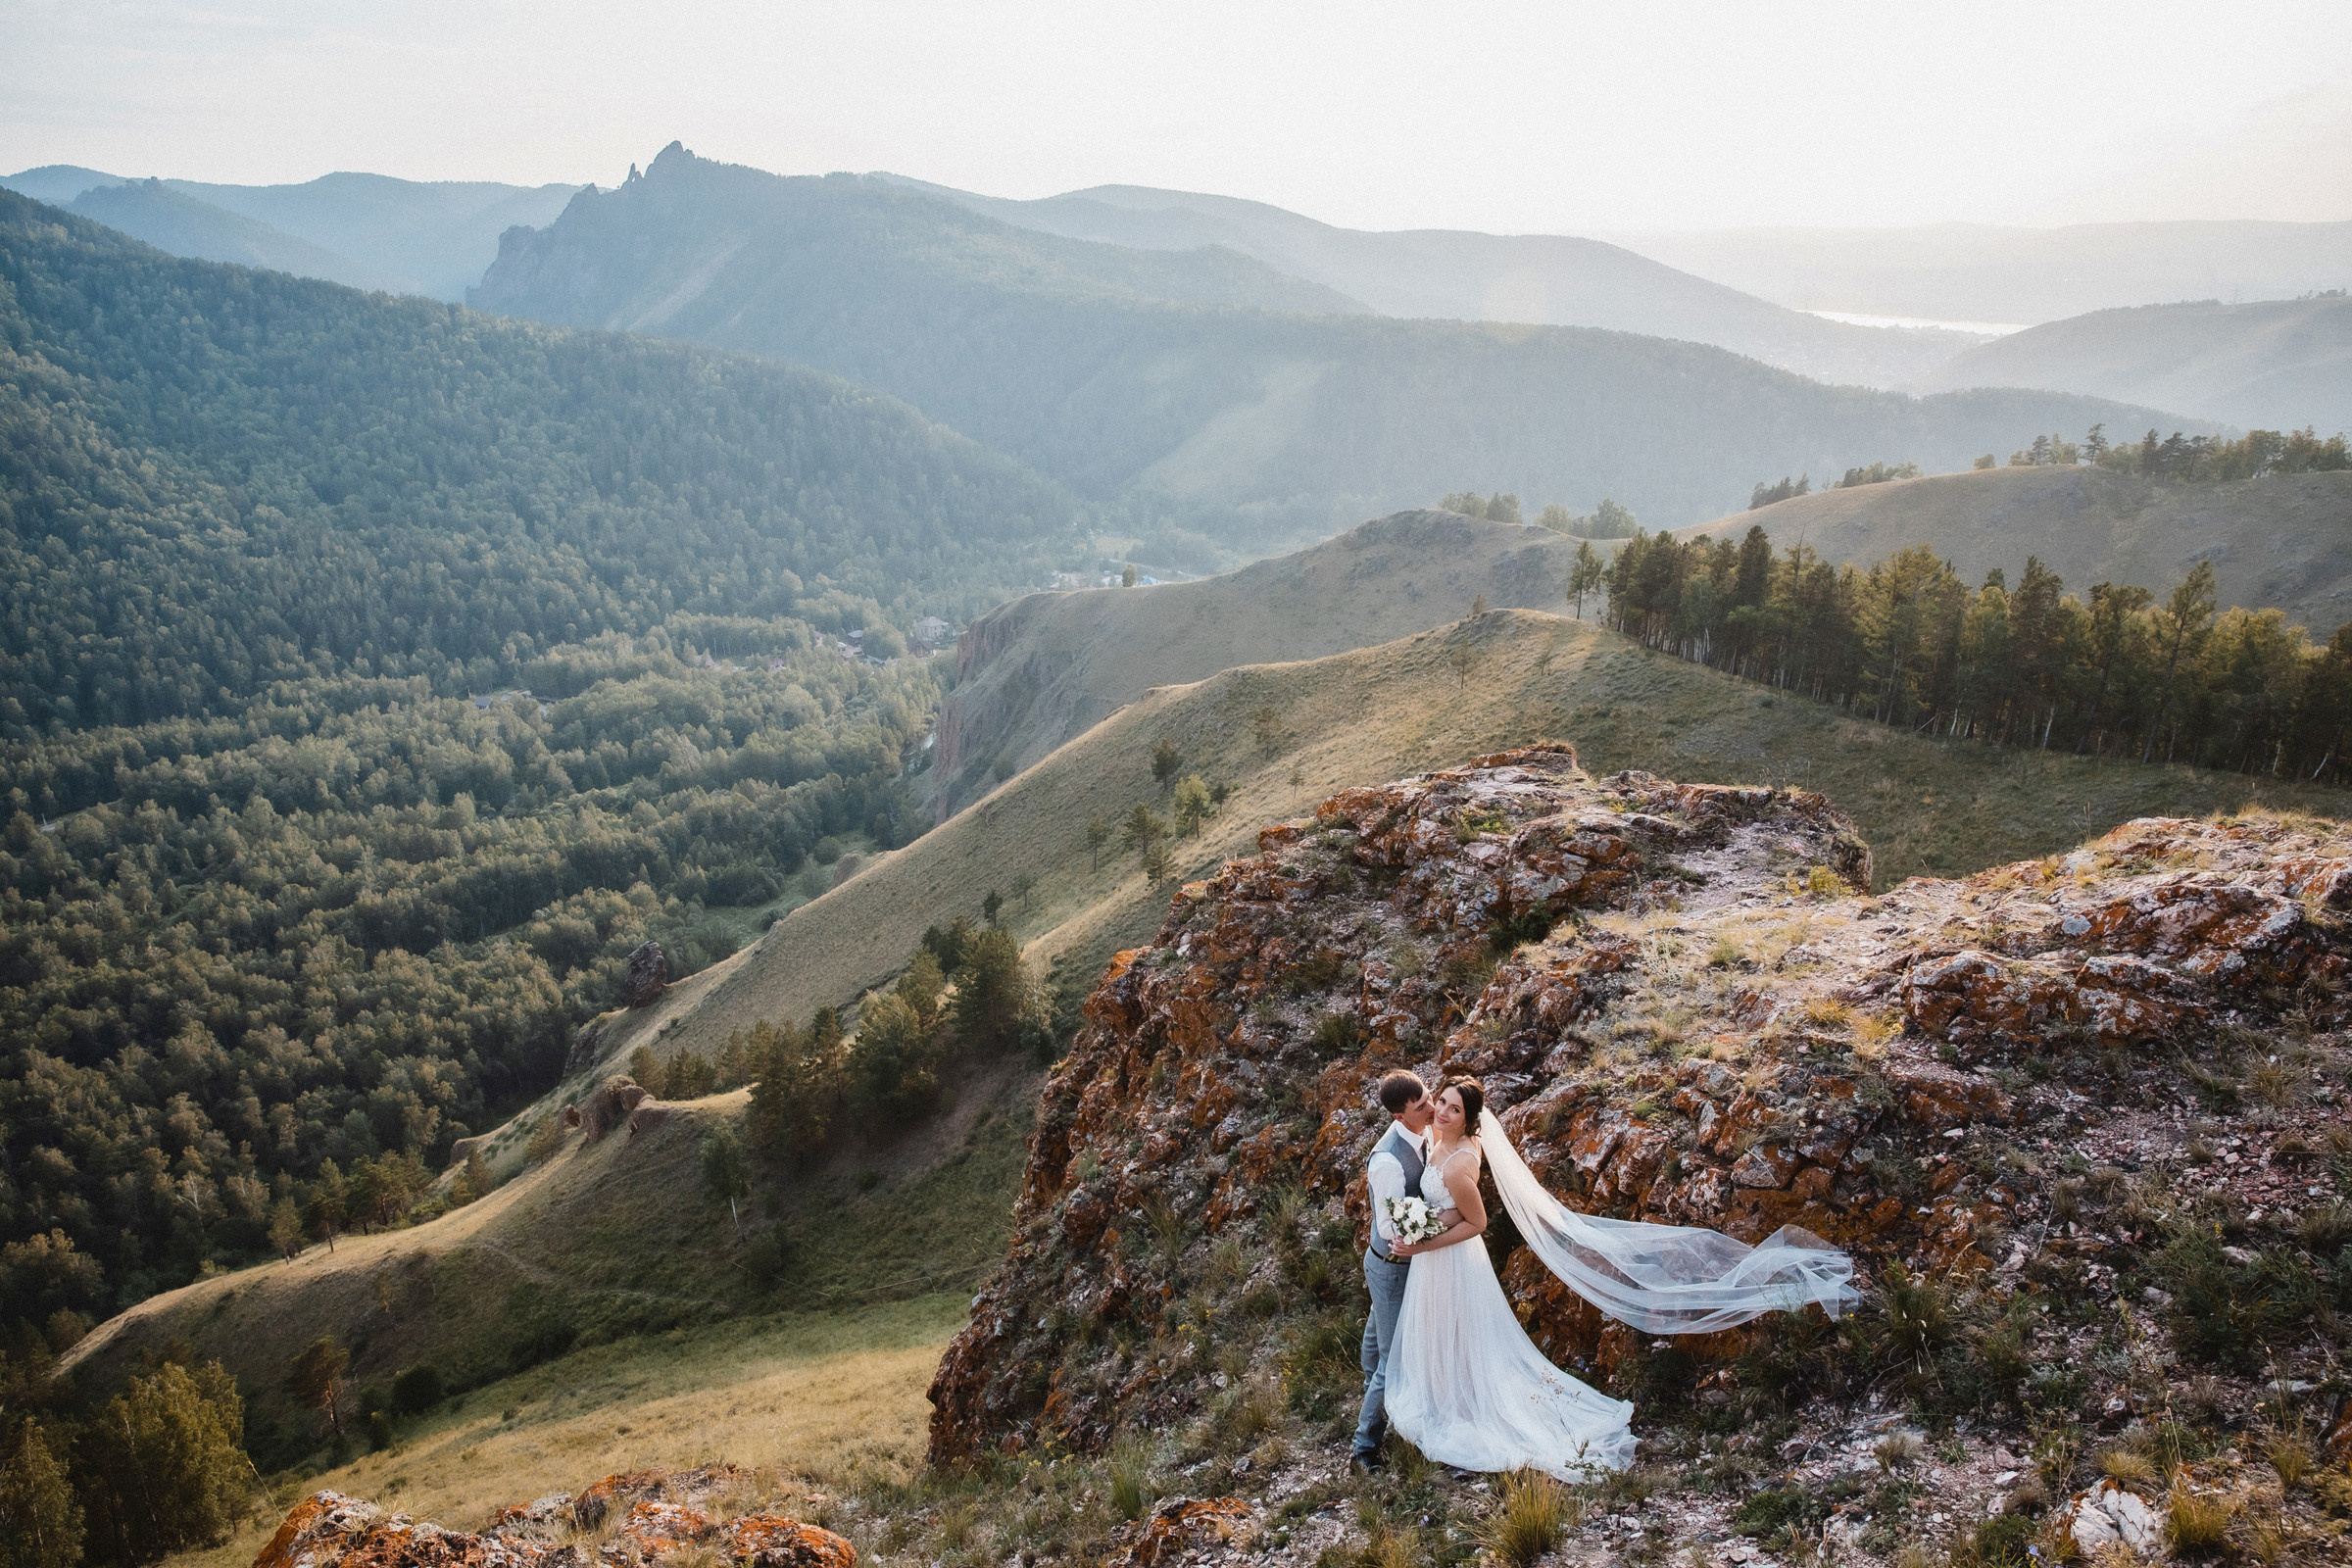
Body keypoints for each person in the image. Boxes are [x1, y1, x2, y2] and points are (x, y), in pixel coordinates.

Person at [1384, 1077, 1856, 1478]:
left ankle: (1468, 1409)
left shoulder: (1462, 1159)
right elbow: (1444, 1206)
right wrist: (1423, 1223)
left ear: (1470, 1119)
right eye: (1440, 1102)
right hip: (1433, 1256)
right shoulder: (1436, 1140)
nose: (1442, 1112)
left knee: (1464, 1334)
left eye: (1453, 1108)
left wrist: (1421, 1240)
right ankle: (1448, 1399)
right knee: (1442, 1331)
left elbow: (1477, 1223)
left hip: (1451, 1260)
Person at [1350, 1068, 1436, 1475]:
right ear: (1400, 1117)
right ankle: (1363, 1448)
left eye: (1430, 1096)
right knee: (1392, 1358)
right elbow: (1389, 1227)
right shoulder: (1386, 1161)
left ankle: (1373, 1394)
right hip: (1390, 1266)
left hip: (1388, 1265)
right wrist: (1440, 1225)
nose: (1432, 1108)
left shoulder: (1422, 1131)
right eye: (1422, 1107)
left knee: (1375, 1340)